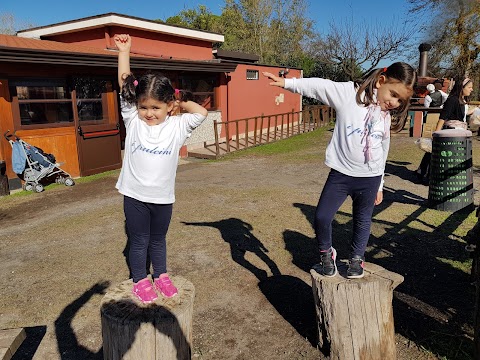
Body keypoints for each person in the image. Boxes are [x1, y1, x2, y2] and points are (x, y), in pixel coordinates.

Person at [263, 63, 416, 279]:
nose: (394, 103)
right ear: (381, 81)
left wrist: (380, 184)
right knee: (322, 217)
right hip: (341, 175)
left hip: (370, 178)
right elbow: (320, 86)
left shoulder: (384, 114)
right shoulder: (349, 94)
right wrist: (289, 83)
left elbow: (383, 149)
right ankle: (326, 254)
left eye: (400, 100)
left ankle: (357, 258)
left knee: (362, 220)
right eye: (393, 94)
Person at [114, 34, 208, 303]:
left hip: (163, 197)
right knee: (139, 240)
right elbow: (124, 84)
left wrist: (179, 99)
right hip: (135, 196)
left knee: (158, 240)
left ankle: (162, 275)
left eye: (156, 107)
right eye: (144, 106)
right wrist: (124, 52)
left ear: (169, 106)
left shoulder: (177, 126)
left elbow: (200, 112)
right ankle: (140, 279)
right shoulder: (133, 121)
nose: (149, 113)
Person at [416, 77, 477, 184]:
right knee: (438, 154)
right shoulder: (452, 99)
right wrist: (436, 134)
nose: (471, 89)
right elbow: (443, 117)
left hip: (460, 132)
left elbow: (461, 113)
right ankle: (425, 174)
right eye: (470, 87)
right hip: (450, 131)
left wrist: (475, 111)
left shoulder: (462, 100)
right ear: (462, 87)